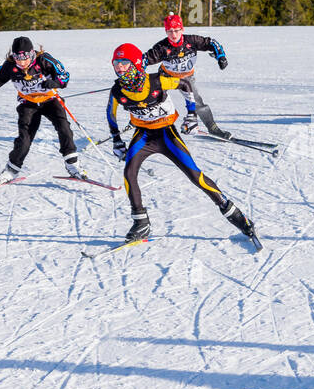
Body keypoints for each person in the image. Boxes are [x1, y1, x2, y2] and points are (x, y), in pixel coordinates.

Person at [106, 42, 258, 245]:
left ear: (135, 64)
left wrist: (192, 114)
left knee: (195, 175)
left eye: (124, 63)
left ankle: (237, 216)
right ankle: (141, 222)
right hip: (143, 135)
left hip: (166, 133)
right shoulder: (118, 90)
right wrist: (116, 140)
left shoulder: (157, 81)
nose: (119, 68)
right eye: (116, 64)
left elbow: (185, 85)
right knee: (129, 173)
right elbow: (110, 114)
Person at [0, 36, 83, 183]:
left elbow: (64, 76)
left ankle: (73, 165)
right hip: (28, 103)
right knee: (25, 139)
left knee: (64, 128)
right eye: (17, 58)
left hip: (50, 100)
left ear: (31, 54)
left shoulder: (44, 59)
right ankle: (11, 170)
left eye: (25, 58)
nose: (21, 62)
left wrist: (54, 82)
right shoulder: (10, 65)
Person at [143, 13, 230, 138]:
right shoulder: (162, 47)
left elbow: (212, 43)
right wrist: (136, 75)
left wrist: (221, 56)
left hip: (187, 78)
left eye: (177, 31)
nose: (173, 35)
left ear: (182, 29)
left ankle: (213, 128)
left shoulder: (192, 41)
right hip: (166, 77)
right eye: (170, 31)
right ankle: (148, 130)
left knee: (197, 103)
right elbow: (144, 60)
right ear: (166, 31)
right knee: (154, 102)